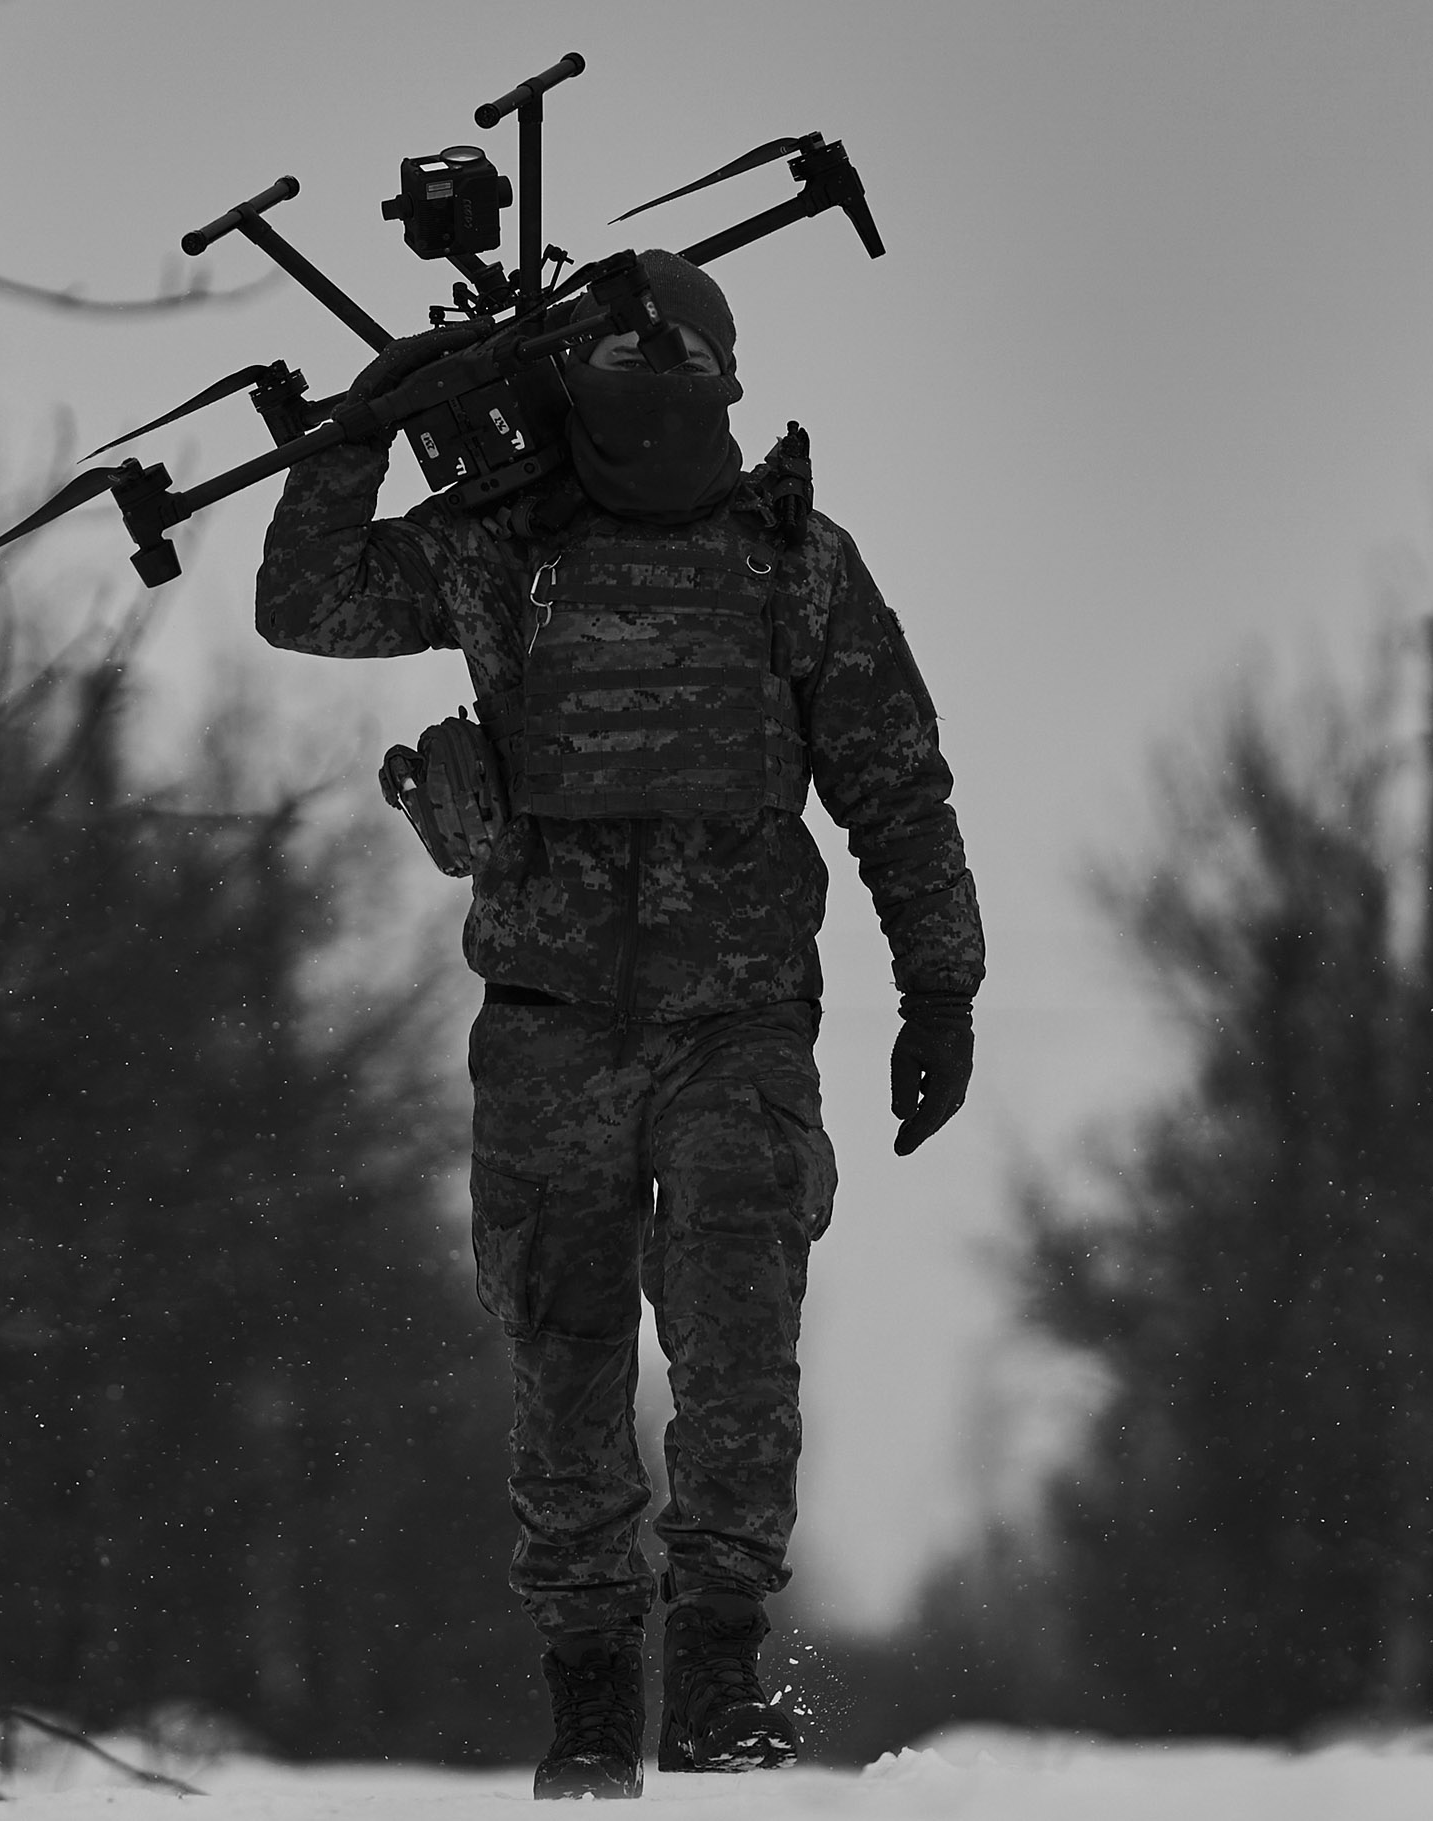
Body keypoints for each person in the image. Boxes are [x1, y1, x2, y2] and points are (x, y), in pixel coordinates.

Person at [254, 250, 981, 1800]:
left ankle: (710, 1682)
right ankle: (593, 1701)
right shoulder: (504, 539)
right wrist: (353, 437)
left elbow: (894, 781)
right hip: (555, 1024)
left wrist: (943, 985)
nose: (655, 404)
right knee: (567, 1354)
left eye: (676, 374)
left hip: (734, 1024)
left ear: (722, 387)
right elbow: (307, 602)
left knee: (733, 1348)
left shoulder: (792, 562)